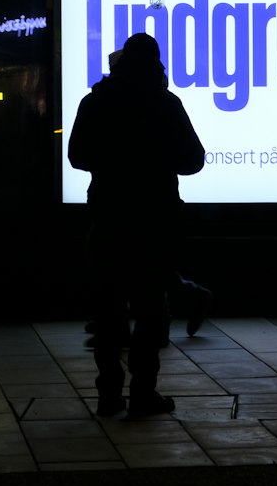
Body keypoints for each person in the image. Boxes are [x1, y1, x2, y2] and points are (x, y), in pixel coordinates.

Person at [68, 32, 205, 417]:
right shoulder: (165, 103)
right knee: (149, 312)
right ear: (156, 65)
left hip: (109, 218)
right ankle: (143, 394)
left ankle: (108, 394)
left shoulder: (95, 102)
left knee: (108, 313)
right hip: (155, 220)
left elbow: (77, 156)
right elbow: (193, 160)